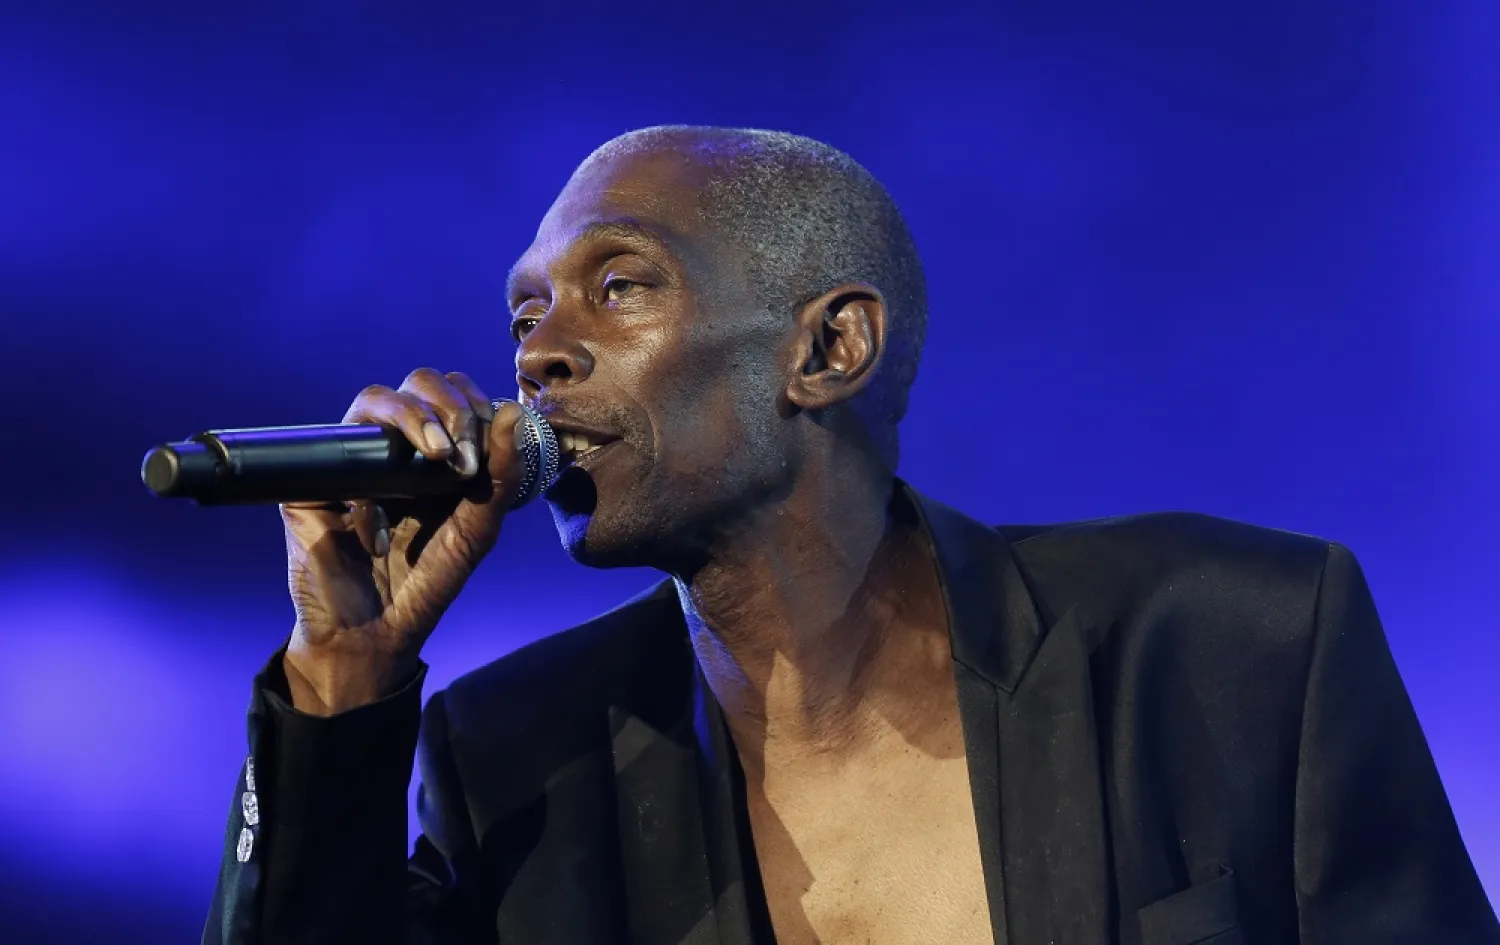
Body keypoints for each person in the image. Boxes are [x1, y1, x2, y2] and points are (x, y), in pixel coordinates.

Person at [202, 126, 1498, 945]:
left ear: (829, 348)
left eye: (617, 284)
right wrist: (345, 683)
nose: (539, 353)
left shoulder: (1233, 643)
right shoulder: (519, 763)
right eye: (525, 313)